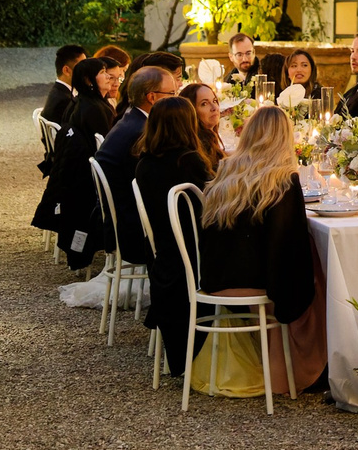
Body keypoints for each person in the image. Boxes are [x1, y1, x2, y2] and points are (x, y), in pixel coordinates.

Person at [193, 105, 329, 396]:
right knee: (320, 274)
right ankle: (310, 366)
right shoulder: (282, 179)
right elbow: (287, 245)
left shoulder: (226, 168)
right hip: (252, 282)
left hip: (214, 276)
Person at [131, 97, 216, 376]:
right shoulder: (187, 161)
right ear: (187, 125)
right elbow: (212, 206)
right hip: (195, 257)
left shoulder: (144, 164)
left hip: (164, 254)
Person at [33, 57, 122, 264]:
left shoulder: (84, 102)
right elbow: (109, 149)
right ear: (89, 80)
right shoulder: (94, 109)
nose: (109, 77)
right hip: (87, 184)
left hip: (77, 177)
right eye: (103, 73)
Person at [97, 65, 173, 264]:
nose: (177, 98)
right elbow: (151, 185)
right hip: (132, 226)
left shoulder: (132, 119)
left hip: (122, 216)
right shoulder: (141, 132)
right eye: (172, 93)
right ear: (152, 97)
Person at [179, 80, 227, 164]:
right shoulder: (198, 148)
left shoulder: (209, 139)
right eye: (204, 104)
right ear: (191, 111)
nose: (214, 108)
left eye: (214, 101)